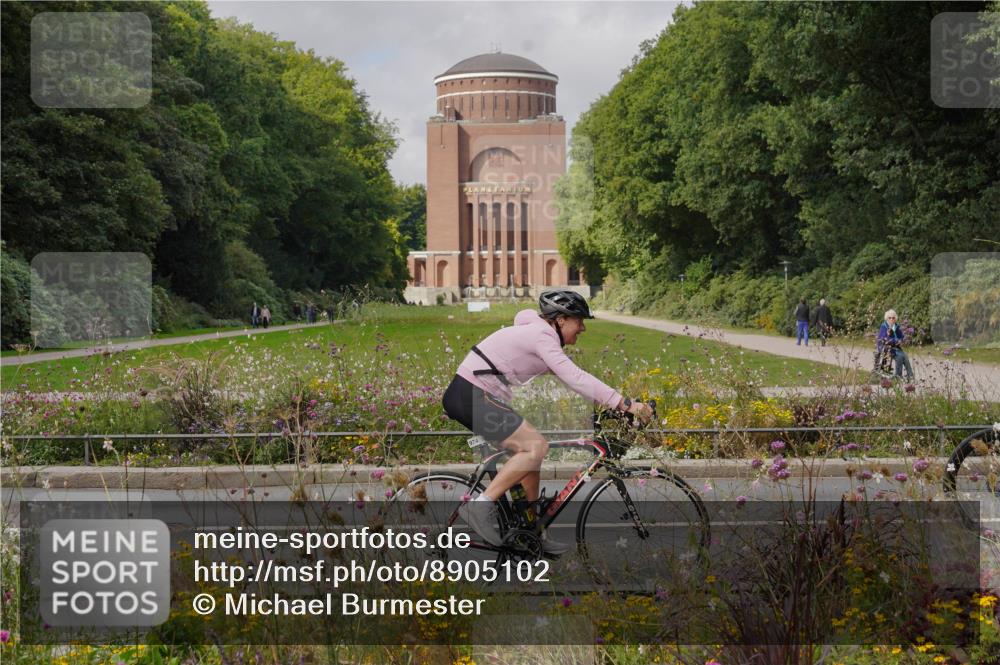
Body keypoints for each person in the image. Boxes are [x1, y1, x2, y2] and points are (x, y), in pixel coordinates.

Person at [442, 290, 652, 555]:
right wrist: (626, 404)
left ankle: (531, 534)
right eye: (580, 320)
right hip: (470, 394)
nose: (583, 328)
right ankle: (479, 505)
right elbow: (575, 376)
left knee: (531, 454)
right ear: (562, 320)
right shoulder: (542, 336)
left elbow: (574, 381)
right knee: (535, 447)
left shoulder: (541, 336)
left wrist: (615, 408)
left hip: (476, 395)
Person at [876, 309, 914, 382]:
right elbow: (883, 339)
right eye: (889, 318)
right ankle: (898, 376)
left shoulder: (896, 326)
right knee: (899, 356)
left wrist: (901, 340)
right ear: (887, 318)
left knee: (905, 356)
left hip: (896, 347)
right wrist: (892, 339)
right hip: (886, 348)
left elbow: (901, 336)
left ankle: (910, 376)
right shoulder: (884, 326)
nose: (891, 319)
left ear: (895, 318)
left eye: (893, 318)